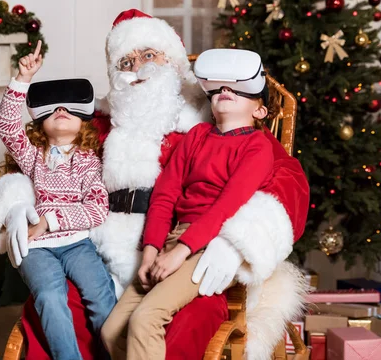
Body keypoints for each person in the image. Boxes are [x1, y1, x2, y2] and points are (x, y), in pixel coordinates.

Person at [0, 10, 310, 360]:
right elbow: (40, 162)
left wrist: (237, 243)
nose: (137, 67)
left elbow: (287, 182)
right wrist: (18, 204)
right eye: (126, 60)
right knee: (55, 304)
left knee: (187, 322)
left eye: (149, 55)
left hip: (188, 251)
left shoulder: (205, 121)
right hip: (96, 253)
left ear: (174, 63)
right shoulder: (99, 124)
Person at [101, 49, 279, 359]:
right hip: (172, 240)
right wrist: (151, 252)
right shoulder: (197, 136)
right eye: (220, 88)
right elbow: (164, 197)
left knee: (146, 318)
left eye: (237, 89)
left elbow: (225, 209)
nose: (226, 91)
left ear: (260, 111)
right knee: (111, 330)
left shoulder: (257, 147)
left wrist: (180, 253)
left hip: (209, 245)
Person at [0, 40, 116, 360]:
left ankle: (115, 354)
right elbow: (5, 126)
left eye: (69, 108)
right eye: (53, 108)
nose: (61, 111)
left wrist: (50, 220)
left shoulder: (89, 162)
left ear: (83, 120)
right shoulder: (33, 157)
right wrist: (22, 79)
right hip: (38, 249)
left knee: (101, 298)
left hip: (77, 244)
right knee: (50, 296)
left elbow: (97, 208)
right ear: (40, 122)